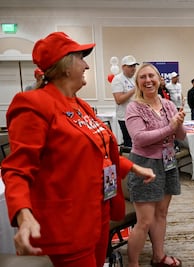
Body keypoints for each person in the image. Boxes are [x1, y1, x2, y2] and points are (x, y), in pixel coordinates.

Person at [0, 32, 155, 267]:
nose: (86, 65)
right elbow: (17, 169)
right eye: (80, 58)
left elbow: (98, 152)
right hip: (68, 224)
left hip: (98, 213)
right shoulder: (33, 104)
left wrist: (133, 167)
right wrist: (23, 213)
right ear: (65, 66)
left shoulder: (80, 104)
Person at [125, 63, 186, 267]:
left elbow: (181, 135)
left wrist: (179, 123)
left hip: (168, 163)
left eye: (152, 76)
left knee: (161, 214)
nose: (148, 80)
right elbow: (140, 138)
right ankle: (133, 263)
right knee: (145, 221)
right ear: (138, 83)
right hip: (145, 165)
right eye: (143, 77)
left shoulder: (168, 104)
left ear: (160, 80)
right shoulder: (134, 107)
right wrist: (171, 126)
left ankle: (158, 256)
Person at [111, 55, 139, 148]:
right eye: (130, 66)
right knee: (130, 144)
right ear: (123, 67)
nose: (133, 68)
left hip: (137, 115)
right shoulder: (117, 79)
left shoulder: (135, 78)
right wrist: (133, 90)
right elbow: (119, 100)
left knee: (138, 142)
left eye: (134, 66)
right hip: (125, 117)